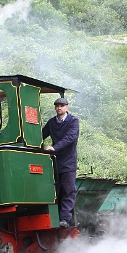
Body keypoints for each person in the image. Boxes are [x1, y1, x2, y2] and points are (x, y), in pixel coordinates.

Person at [42, 97, 79, 227]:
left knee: (68, 191)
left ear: (67, 107)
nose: (59, 108)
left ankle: (65, 219)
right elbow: (41, 134)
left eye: (62, 105)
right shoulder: (52, 122)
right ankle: (54, 218)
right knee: (55, 191)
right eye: (57, 105)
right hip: (55, 162)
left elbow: (70, 137)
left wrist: (54, 147)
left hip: (68, 161)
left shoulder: (73, 121)